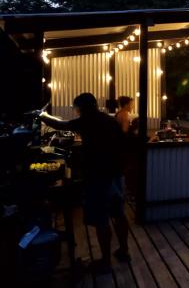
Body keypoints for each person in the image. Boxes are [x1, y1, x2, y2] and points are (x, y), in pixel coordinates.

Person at [40, 93, 130, 274]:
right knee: (119, 214)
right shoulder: (108, 120)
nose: (78, 112)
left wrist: (42, 115)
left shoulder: (87, 120)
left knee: (101, 220)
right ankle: (124, 251)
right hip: (116, 174)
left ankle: (105, 262)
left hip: (99, 176)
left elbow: (60, 125)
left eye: (78, 109)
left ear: (83, 108)